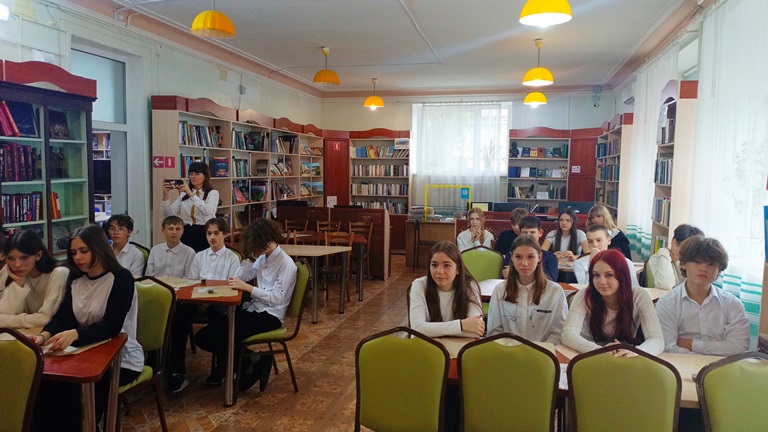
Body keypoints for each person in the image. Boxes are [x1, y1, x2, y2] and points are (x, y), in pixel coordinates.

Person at [32, 225, 143, 430]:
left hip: (121, 358)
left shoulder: (121, 278)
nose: (78, 258)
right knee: (43, 386)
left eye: (84, 251)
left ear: (98, 248)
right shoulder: (77, 279)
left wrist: (75, 334)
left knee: (72, 395)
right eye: (74, 252)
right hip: (82, 353)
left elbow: (111, 326)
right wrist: (43, 336)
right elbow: (63, 317)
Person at [195, 219, 297, 392]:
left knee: (221, 336)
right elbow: (239, 277)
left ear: (271, 239)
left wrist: (248, 288)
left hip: (270, 316)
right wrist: (249, 258)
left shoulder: (286, 264)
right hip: (254, 309)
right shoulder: (262, 258)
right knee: (206, 334)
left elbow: (276, 298)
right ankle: (253, 362)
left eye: (260, 244)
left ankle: (243, 366)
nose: (258, 248)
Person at [166, 217, 241, 393]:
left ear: (224, 234)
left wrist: (210, 298)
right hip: (198, 302)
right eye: (209, 234)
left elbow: (231, 285)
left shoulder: (232, 258)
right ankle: (177, 371)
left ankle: (223, 366)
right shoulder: (199, 256)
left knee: (219, 317)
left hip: (220, 303)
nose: (212, 237)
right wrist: (199, 300)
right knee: (179, 317)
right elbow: (192, 282)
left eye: (216, 233)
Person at [655, 236, 749, 356]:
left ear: (719, 271)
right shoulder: (667, 303)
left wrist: (692, 344)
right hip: (680, 366)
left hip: (722, 366)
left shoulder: (733, 304)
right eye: (697, 262)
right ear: (684, 264)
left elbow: (739, 348)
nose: (704, 268)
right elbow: (667, 348)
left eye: (711, 264)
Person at [561, 249, 663, 356]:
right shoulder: (584, 295)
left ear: (622, 276)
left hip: (625, 356)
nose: (601, 281)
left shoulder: (639, 296)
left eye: (609, 275)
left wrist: (635, 352)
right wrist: (599, 350)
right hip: (589, 354)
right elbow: (568, 333)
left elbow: (656, 340)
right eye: (596, 275)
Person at [487, 235, 567, 343]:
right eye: (518, 257)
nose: (524, 263)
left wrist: (539, 350)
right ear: (511, 257)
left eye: (530, 257)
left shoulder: (555, 291)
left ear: (539, 258)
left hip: (543, 351)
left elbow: (558, 332)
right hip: (508, 350)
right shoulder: (500, 290)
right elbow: (494, 331)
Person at [409, 241, 484, 338]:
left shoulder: (470, 286)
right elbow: (417, 329)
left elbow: (475, 331)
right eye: (434, 265)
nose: (439, 271)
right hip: (426, 345)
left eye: (447, 265)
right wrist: (461, 325)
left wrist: (429, 330)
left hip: (459, 346)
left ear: (458, 269)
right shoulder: (419, 285)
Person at [0, 230, 69, 328]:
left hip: (52, 334)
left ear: (38, 255)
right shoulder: (12, 273)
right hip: (27, 334)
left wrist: (6, 320)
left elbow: (45, 318)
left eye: (24, 258)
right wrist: (18, 285)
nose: (17, 265)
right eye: (10, 258)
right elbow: (4, 313)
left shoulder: (59, 272)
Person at [161, 161, 220, 252]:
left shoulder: (212, 193)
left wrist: (191, 195)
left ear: (205, 176)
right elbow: (169, 215)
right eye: (191, 174)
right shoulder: (184, 194)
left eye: (197, 174)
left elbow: (209, 211)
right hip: (186, 231)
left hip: (204, 231)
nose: (193, 176)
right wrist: (165, 196)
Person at [573, 225, 638, 286]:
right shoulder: (579, 263)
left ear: (608, 241)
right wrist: (592, 263)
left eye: (599, 240)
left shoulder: (625, 262)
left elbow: (634, 287)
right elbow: (585, 288)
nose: (595, 245)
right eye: (590, 241)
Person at [648, 224, 704, 290]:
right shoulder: (659, 258)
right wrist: (664, 251)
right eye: (677, 244)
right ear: (672, 240)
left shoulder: (690, 263)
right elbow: (666, 285)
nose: (679, 250)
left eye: (684, 247)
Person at [502, 215, 558, 281]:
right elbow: (507, 276)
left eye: (532, 232)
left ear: (540, 233)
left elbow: (551, 280)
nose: (528, 236)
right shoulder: (511, 255)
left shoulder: (550, 257)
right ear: (519, 234)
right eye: (525, 232)